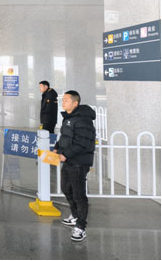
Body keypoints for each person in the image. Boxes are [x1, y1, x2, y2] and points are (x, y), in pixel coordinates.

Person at [53, 90, 96, 242]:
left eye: (66, 100)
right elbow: (65, 137)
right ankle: (76, 215)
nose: (63, 102)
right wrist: (57, 148)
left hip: (79, 162)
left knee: (78, 194)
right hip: (69, 160)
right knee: (66, 188)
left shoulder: (83, 119)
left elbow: (82, 142)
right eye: (63, 100)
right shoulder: (69, 118)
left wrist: (66, 154)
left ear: (75, 103)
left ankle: (81, 227)